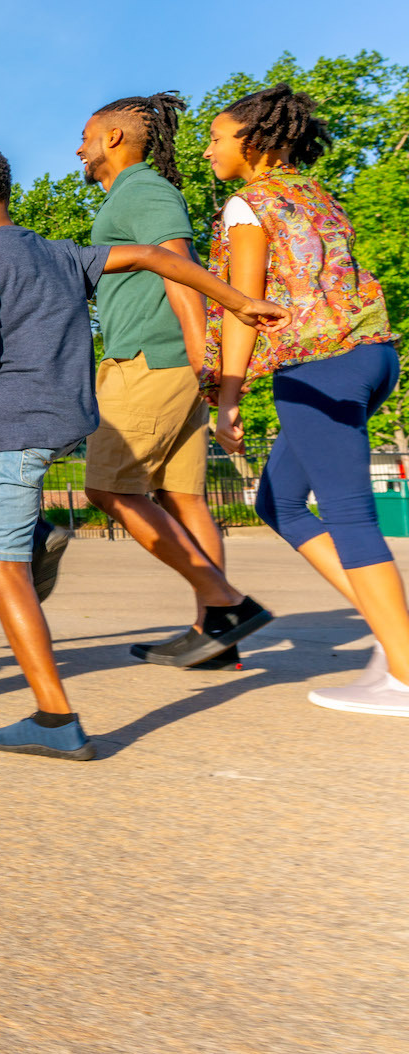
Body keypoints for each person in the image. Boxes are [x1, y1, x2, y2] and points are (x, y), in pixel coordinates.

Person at [0, 145, 286, 759]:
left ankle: (56, 719)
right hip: (57, 418)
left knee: (4, 571)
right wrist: (235, 299)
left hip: (13, 427)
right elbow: (152, 255)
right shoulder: (54, 251)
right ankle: (38, 531)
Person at [199, 84, 409, 714]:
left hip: (321, 366)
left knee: (348, 514)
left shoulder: (247, 206)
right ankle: (394, 634)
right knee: (278, 500)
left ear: (254, 144)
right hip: (373, 356)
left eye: (216, 138)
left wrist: (227, 397)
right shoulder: (316, 194)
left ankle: (404, 669)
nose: (208, 149)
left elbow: (243, 306)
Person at [74, 93, 264, 665]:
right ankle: (217, 637)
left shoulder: (146, 190)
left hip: (150, 360)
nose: (78, 148)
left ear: (112, 138)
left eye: (85, 135)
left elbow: (179, 269)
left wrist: (195, 353)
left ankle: (226, 602)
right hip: (170, 359)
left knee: (108, 487)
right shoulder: (129, 198)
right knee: (182, 497)